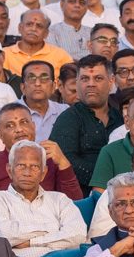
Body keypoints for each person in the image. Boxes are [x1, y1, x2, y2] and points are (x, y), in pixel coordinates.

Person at [0, 139, 87, 257]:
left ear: (43, 173)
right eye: (21, 165)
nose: (27, 173)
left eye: (35, 166)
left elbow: (78, 235)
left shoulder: (60, 199)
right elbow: (4, 235)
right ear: (9, 170)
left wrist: (30, 242)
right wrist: (52, 228)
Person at [0, 102, 83, 203]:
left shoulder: (51, 159)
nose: (19, 129)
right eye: (10, 125)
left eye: (24, 122)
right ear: (0, 136)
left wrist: (63, 163)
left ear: (33, 126)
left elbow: (75, 204)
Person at [50, 54, 124, 188]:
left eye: (98, 78)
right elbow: (64, 161)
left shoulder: (121, 119)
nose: (91, 84)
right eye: (85, 78)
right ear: (77, 83)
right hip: (80, 198)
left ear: (111, 82)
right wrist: (108, 176)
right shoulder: (68, 119)